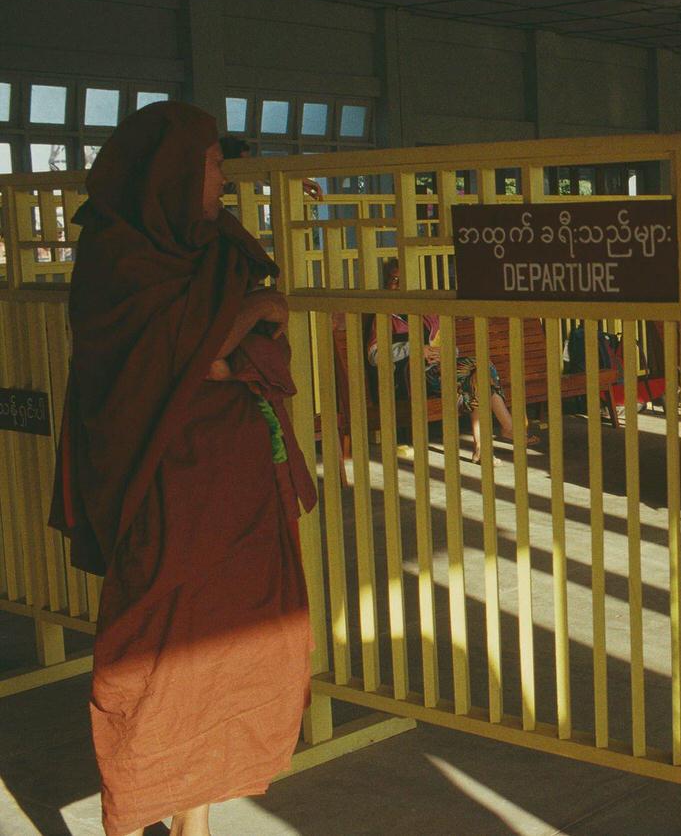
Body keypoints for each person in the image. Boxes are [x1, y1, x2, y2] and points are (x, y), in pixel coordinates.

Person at [49, 102, 316, 836]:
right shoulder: (118, 259)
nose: (224, 180)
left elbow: (249, 350)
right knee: (154, 656)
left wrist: (231, 344)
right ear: (168, 171)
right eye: (212, 164)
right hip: (162, 493)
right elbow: (147, 366)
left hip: (234, 492)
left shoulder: (217, 247)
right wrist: (238, 325)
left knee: (222, 664)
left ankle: (193, 821)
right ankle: (132, 814)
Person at [368, 258, 528, 464]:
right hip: (412, 380)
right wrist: (415, 349)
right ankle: (505, 429)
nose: (398, 285)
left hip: (442, 372)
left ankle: (482, 446)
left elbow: (452, 348)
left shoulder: (427, 313)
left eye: (403, 280)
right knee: (479, 371)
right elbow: (374, 355)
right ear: (386, 284)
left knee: (479, 374)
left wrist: (442, 353)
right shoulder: (384, 317)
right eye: (394, 280)